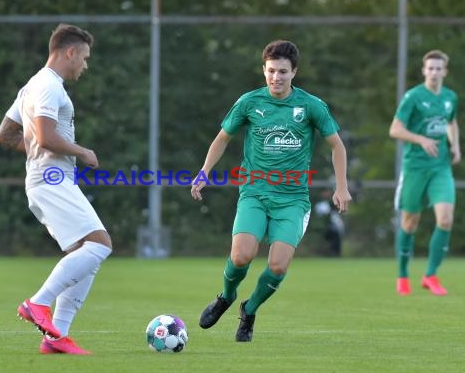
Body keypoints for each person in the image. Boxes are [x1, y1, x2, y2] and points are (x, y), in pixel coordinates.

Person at [191, 40, 351, 342]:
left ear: (294, 73)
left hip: (292, 201)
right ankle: (225, 297)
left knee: (277, 266)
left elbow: (336, 145)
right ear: (263, 71)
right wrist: (204, 172)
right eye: (271, 71)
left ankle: (249, 310)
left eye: (282, 72)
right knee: (241, 257)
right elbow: (222, 138)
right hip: (254, 193)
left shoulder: (311, 106)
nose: (276, 77)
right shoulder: (250, 103)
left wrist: (341, 186)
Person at [0, 24, 112, 354]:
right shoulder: (49, 86)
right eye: (85, 58)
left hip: (45, 177)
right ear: (70, 52)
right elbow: (45, 137)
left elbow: (5, 135)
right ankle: (38, 303)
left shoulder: (31, 86)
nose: (85, 65)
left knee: (84, 255)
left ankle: (56, 337)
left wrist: (39, 149)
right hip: (51, 179)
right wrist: (81, 151)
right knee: (100, 245)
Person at [389, 49, 460, 296]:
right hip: (415, 168)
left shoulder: (450, 97)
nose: (434, 72)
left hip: (440, 167)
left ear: (445, 71)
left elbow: (451, 122)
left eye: (438, 68)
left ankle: (430, 275)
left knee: (446, 219)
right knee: (410, 222)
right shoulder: (413, 97)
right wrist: (421, 139)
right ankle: (402, 275)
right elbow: (395, 130)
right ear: (423, 70)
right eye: (430, 68)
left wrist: (456, 146)